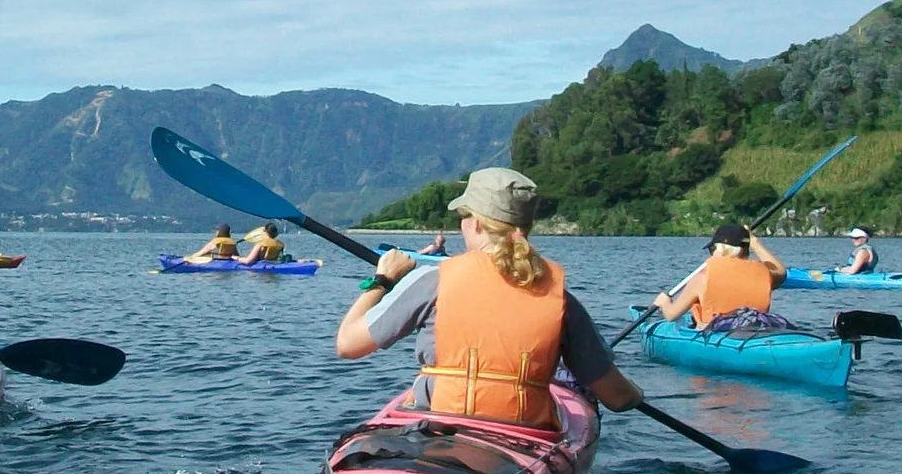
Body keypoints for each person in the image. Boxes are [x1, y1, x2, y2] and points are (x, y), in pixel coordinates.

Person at [336, 167, 644, 427]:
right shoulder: (560, 299)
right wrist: (637, 394)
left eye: (462, 216)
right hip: (524, 435)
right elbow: (618, 398)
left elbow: (348, 344)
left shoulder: (433, 281)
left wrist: (383, 280)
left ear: (477, 223)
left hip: (439, 425)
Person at [653, 221, 788, 326]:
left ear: (721, 249)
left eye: (712, 249)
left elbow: (671, 315)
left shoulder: (702, 279)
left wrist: (664, 302)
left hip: (716, 334)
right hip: (754, 331)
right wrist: (755, 243)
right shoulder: (765, 276)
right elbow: (781, 272)